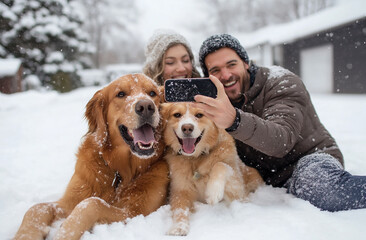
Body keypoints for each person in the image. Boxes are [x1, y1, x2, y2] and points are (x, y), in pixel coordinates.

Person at [192, 33, 366, 212]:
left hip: (308, 161)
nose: (226, 75)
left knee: (323, 189)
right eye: (215, 70)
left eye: (231, 64)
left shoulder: (280, 82)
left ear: (246, 63)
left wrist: (234, 121)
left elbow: (281, 140)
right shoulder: (210, 103)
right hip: (267, 178)